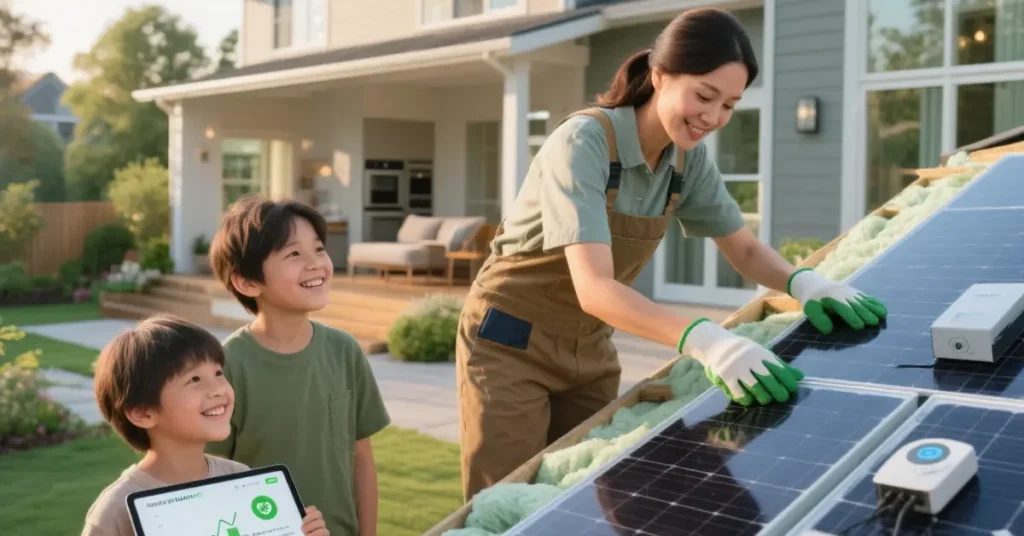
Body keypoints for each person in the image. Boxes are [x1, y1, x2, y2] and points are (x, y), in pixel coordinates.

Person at [455, 7, 888, 501]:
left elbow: (742, 246)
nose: (714, 117)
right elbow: (594, 286)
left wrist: (804, 282)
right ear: (660, 76)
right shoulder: (584, 143)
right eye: (704, 96)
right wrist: (706, 340)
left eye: (729, 105)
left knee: (580, 493)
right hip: (511, 344)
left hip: (589, 347)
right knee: (507, 502)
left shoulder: (686, 161)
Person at [204, 196, 391, 536]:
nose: (316, 263)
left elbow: (361, 459)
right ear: (248, 281)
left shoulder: (344, 350)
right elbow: (210, 477)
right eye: (293, 254)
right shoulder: (226, 368)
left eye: (319, 249)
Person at [84, 314, 329, 536]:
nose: (218, 389)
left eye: (218, 373)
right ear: (143, 413)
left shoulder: (240, 478)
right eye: (194, 379)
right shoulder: (115, 512)